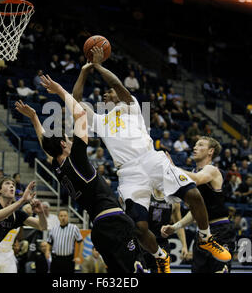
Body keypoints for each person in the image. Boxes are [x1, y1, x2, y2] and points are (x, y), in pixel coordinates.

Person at [72, 46, 231, 270]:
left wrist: (99, 65)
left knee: (194, 194)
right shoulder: (98, 120)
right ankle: (159, 255)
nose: (107, 93)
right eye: (105, 93)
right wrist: (85, 71)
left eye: (110, 92)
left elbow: (117, 84)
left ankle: (206, 238)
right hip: (128, 172)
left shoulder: (132, 106)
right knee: (138, 227)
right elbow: (74, 101)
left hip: (150, 159)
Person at [15, 75, 148, 273]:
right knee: (137, 270)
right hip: (114, 221)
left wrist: (35, 118)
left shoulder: (58, 168)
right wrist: (60, 90)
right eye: (67, 138)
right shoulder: (75, 157)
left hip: (99, 231)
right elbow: (80, 115)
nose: (70, 139)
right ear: (63, 144)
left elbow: (46, 147)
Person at [161, 136, 236, 273]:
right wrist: (175, 227)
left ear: (210, 151)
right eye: (195, 145)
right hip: (202, 233)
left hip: (220, 231)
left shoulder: (212, 170)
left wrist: (172, 168)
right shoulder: (194, 172)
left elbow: (196, 179)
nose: (195, 147)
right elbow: (196, 211)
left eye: (200, 145)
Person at [144, 188, 188, 273]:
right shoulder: (146, 193)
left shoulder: (174, 200)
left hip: (161, 243)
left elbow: (179, 224)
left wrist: (184, 245)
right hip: (143, 242)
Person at [46, 209, 83, 273]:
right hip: (56, 259)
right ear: (58, 217)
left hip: (68, 259)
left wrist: (79, 256)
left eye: (65, 216)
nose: (63, 217)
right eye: (61, 216)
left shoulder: (74, 228)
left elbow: (80, 242)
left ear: (68, 217)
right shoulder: (53, 229)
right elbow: (49, 242)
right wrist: (47, 251)